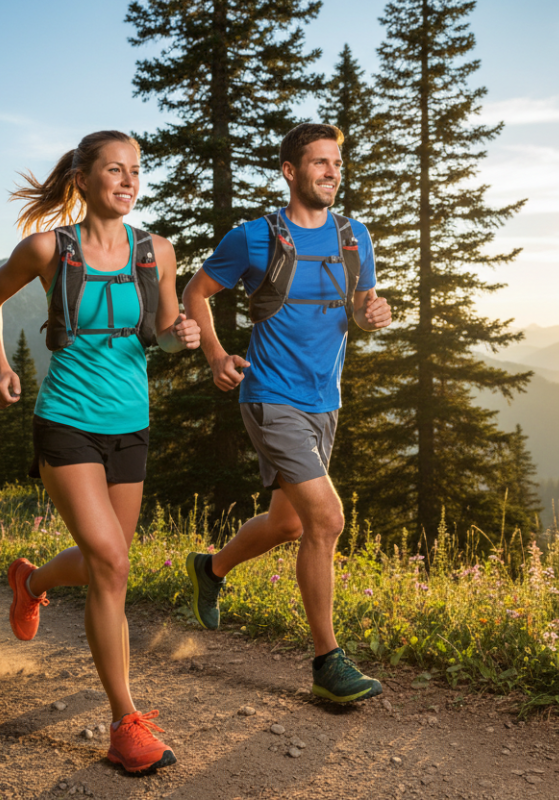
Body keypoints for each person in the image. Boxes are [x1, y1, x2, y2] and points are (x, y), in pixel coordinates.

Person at [0, 130, 199, 773]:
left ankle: (33, 581)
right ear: (82, 177)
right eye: (114, 170)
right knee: (111, 561)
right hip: (66, 420)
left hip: (131, 424)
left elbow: (159, 335)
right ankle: (125, 724)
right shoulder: (49, 248)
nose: (128, 182)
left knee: (110, 563)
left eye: (135, 171)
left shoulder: (156, 251)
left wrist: (181, 336)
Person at [180, 123, 392, 704]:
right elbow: (195, 294)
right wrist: (218, 356)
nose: (331, 172)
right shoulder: (253, 238)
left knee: (289, 523)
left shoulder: (355, 239)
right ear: (290, 171)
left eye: (337, 163)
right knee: (326, 520)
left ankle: (211, 569)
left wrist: (372, 314)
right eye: (319, 163)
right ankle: (328, 662)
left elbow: (359, 307)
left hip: (326, 400)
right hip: (270, 397)